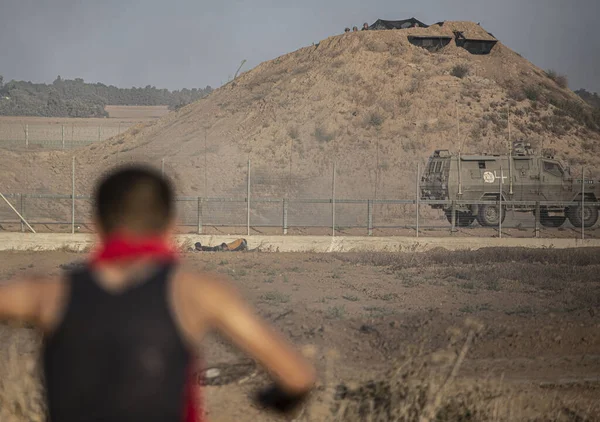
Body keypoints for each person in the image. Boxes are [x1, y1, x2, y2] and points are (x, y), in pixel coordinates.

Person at [0, 165, 316, 422]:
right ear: (172, 228)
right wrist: (271, 399)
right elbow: (297, 376)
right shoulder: (196, 293)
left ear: (94, 228)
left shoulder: (44, 294)